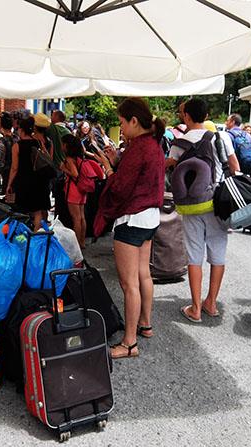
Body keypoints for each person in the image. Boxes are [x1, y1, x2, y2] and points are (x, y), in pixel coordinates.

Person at [93, 97, 165, 360]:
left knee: (129, 283)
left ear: (134, 121)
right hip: (150, 218)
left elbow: (121, 187)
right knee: (143, 275)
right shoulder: (153, 145)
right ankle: (145, 325)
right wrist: (117, 162)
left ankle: (129, 343)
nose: (121, 128)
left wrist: (110, 170)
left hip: (133, 219)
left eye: (122, 122)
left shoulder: (138, 147)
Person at [166, 98, 239, 324]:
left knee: (194, 254)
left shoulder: (180, 142)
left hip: (191, 204)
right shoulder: (221, 137)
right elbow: (235, 168)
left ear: (187, 116)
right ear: (207, 116)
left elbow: (168, 167)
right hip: (218, 202)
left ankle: (195, 308)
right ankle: (211, 303)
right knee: (218, 253)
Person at [6, 116, 51, 231]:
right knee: (37, 211)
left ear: (21, 129)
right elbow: (48, 158)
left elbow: (14, 168)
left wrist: (9, 184)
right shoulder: (39, 142)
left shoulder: (17, 146)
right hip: (38, 180)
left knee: (22, 211)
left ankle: (24, 236)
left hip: (23, 181)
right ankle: (36, 235)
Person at [60, 134, 90, 248]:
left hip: (73, 189)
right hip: (82, 189)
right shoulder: (79, 157)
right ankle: (82, 242)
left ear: (67, 145)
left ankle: (77, 243)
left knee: (76, 218)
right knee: (82, 217)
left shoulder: (69, 159)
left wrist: (63, 169)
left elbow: (75, 174)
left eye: (63, 144)